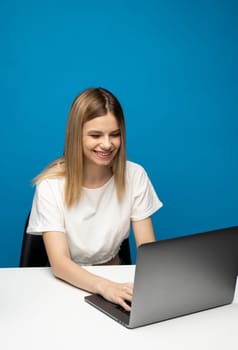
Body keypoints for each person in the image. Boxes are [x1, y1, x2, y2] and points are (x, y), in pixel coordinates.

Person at [27, 87, 163, 311]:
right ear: (76, 135)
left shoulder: (135, 175)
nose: (107, 144)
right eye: (95, 135)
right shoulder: (50, 186)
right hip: (66, 285)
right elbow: (60, 264)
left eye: (115, 134)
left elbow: (148, 248)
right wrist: (105, 287)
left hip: (115, 280)